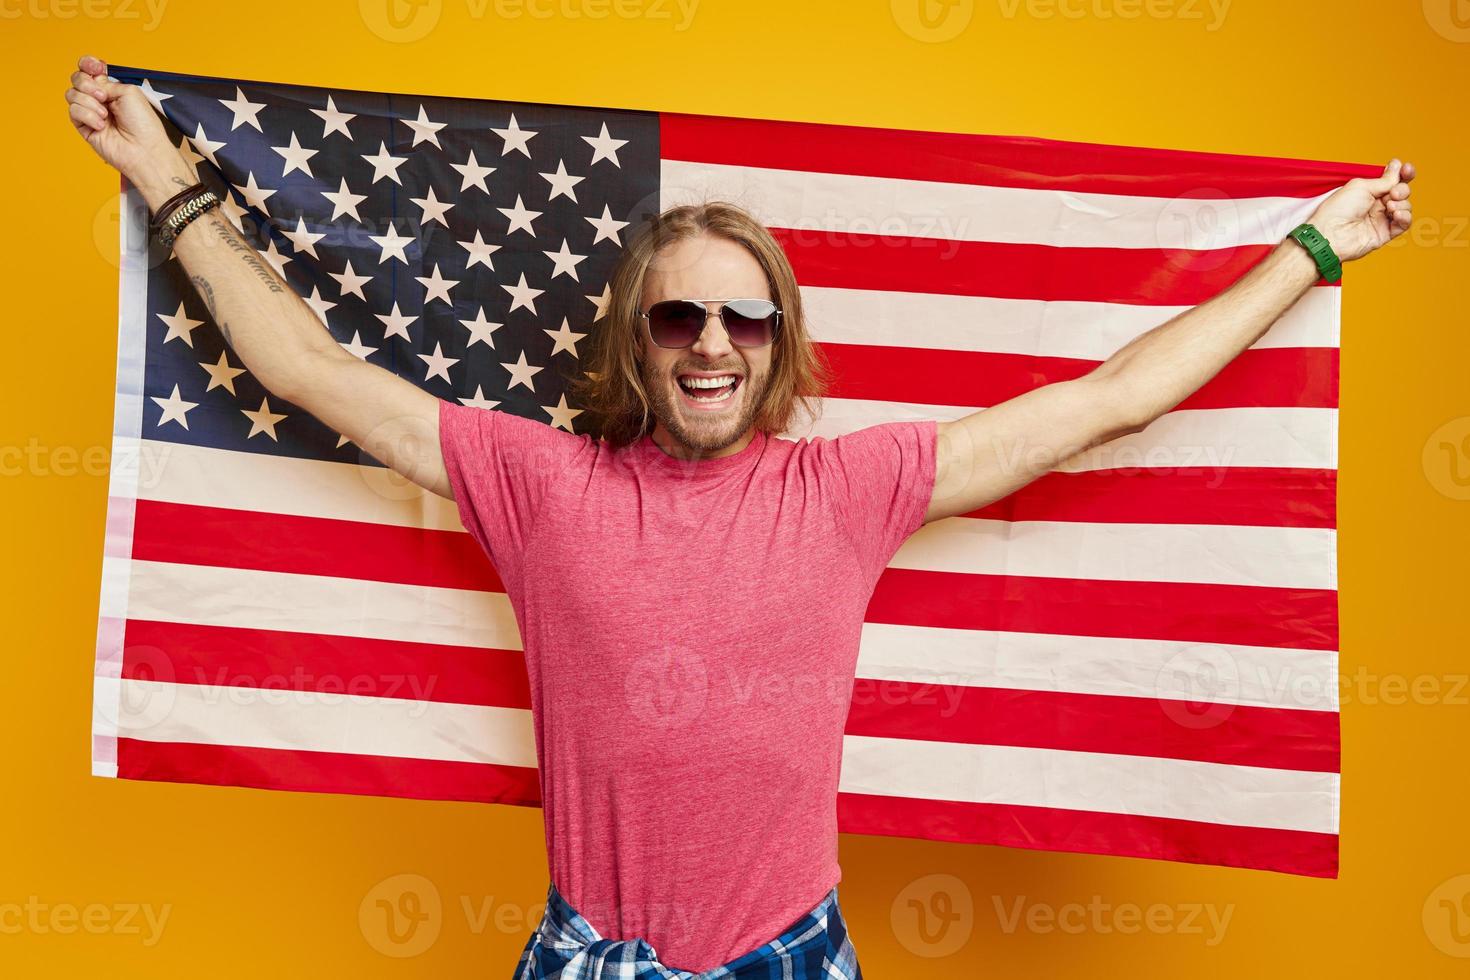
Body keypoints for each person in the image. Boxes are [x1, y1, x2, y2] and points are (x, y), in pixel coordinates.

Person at [66, 53, 1414, 978]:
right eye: (677, 314)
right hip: (587, 954)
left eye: (742, 314)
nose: (710, 341)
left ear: (775, 342)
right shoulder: (541, 484)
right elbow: (308, 370)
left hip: (792, 955)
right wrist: (164, 177)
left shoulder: (851, 487)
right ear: (639, 343)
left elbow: (1113, 399)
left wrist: (1310, 250)